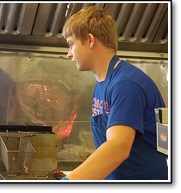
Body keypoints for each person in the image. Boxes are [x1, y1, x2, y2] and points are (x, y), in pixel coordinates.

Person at [60, 6, 168, 180]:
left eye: (71, 45)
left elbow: (118, 147)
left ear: (89, 40)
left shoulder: (125, 84)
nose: (68, 54)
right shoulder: (105, 82)